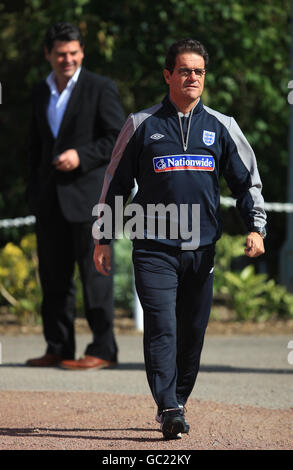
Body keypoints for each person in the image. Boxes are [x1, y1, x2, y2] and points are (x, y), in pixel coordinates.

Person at [92, 38, 266, 439]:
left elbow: (247, 184)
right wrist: (103, 236)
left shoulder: (223, 127)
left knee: (193, 330)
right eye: (185, 70)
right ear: (168, 74)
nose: (193, 77)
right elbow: (114, 184)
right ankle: (168, 407)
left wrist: (256, 228)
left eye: (199, 71)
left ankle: (178, 400)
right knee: (161, 326)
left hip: (201, 250)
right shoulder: (141, 124)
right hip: (153, 245)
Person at [26, 22, 125, 370]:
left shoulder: (101, 88)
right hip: (49, 199)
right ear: (48, 55)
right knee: (53, 278)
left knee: (95, 276)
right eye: (60, 54)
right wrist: (34, 191)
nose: (67, 59)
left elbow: (118, 137)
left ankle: (103, 348)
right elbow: (35, 147)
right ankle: (59, 345)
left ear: (82, 52)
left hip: (90, 198)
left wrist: (81, 156)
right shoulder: (40, 92)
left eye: (73, 53)